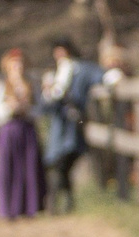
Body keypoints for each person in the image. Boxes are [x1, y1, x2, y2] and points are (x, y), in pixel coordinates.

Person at [37, 37, 98, 214]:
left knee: (66, 160)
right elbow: (44, 106)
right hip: (58, 125)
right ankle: (58, 201)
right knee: (56, 162)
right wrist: (48, 93)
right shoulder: (52, 74)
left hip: (74, 124)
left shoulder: (82, 69)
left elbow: (100, 76)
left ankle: (64, 201)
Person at [0, 48, 44, 220]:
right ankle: (9, 208)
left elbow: (40, 109)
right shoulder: (2, 86)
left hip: (27, 129)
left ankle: (30, 206)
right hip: (10, 130)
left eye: (20, 64)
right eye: (14, 65)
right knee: (9, 168)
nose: (18, 68)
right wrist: (10, 108)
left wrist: (27, 109)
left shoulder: (31, 85)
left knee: (29, 167)